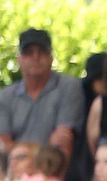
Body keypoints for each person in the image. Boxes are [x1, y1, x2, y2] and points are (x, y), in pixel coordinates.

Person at [0, 29, 86, 163]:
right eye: (29, 53)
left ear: (51, 57)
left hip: (53, 167)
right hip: (15, 167)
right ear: (19, 59)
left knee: (63, 138)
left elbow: (63, 139)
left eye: (42, 52)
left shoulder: (69, 86)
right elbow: (3, 143)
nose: (36, 57)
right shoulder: (5, 95)